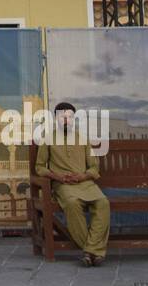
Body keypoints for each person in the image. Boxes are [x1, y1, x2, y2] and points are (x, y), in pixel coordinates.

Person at [34, 101, 111, 266]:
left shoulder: (82, 138)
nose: (66, 120)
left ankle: (89, 252)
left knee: (103, 203)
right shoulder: (47, 139)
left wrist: (82, 176)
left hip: (85, 183)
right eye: (63, 117)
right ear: (56, 119)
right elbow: (40, 167)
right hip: (63, 185)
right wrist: (57, 177)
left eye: (70, 116)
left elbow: (94, 167)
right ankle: (94, 251)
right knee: (72, 203)